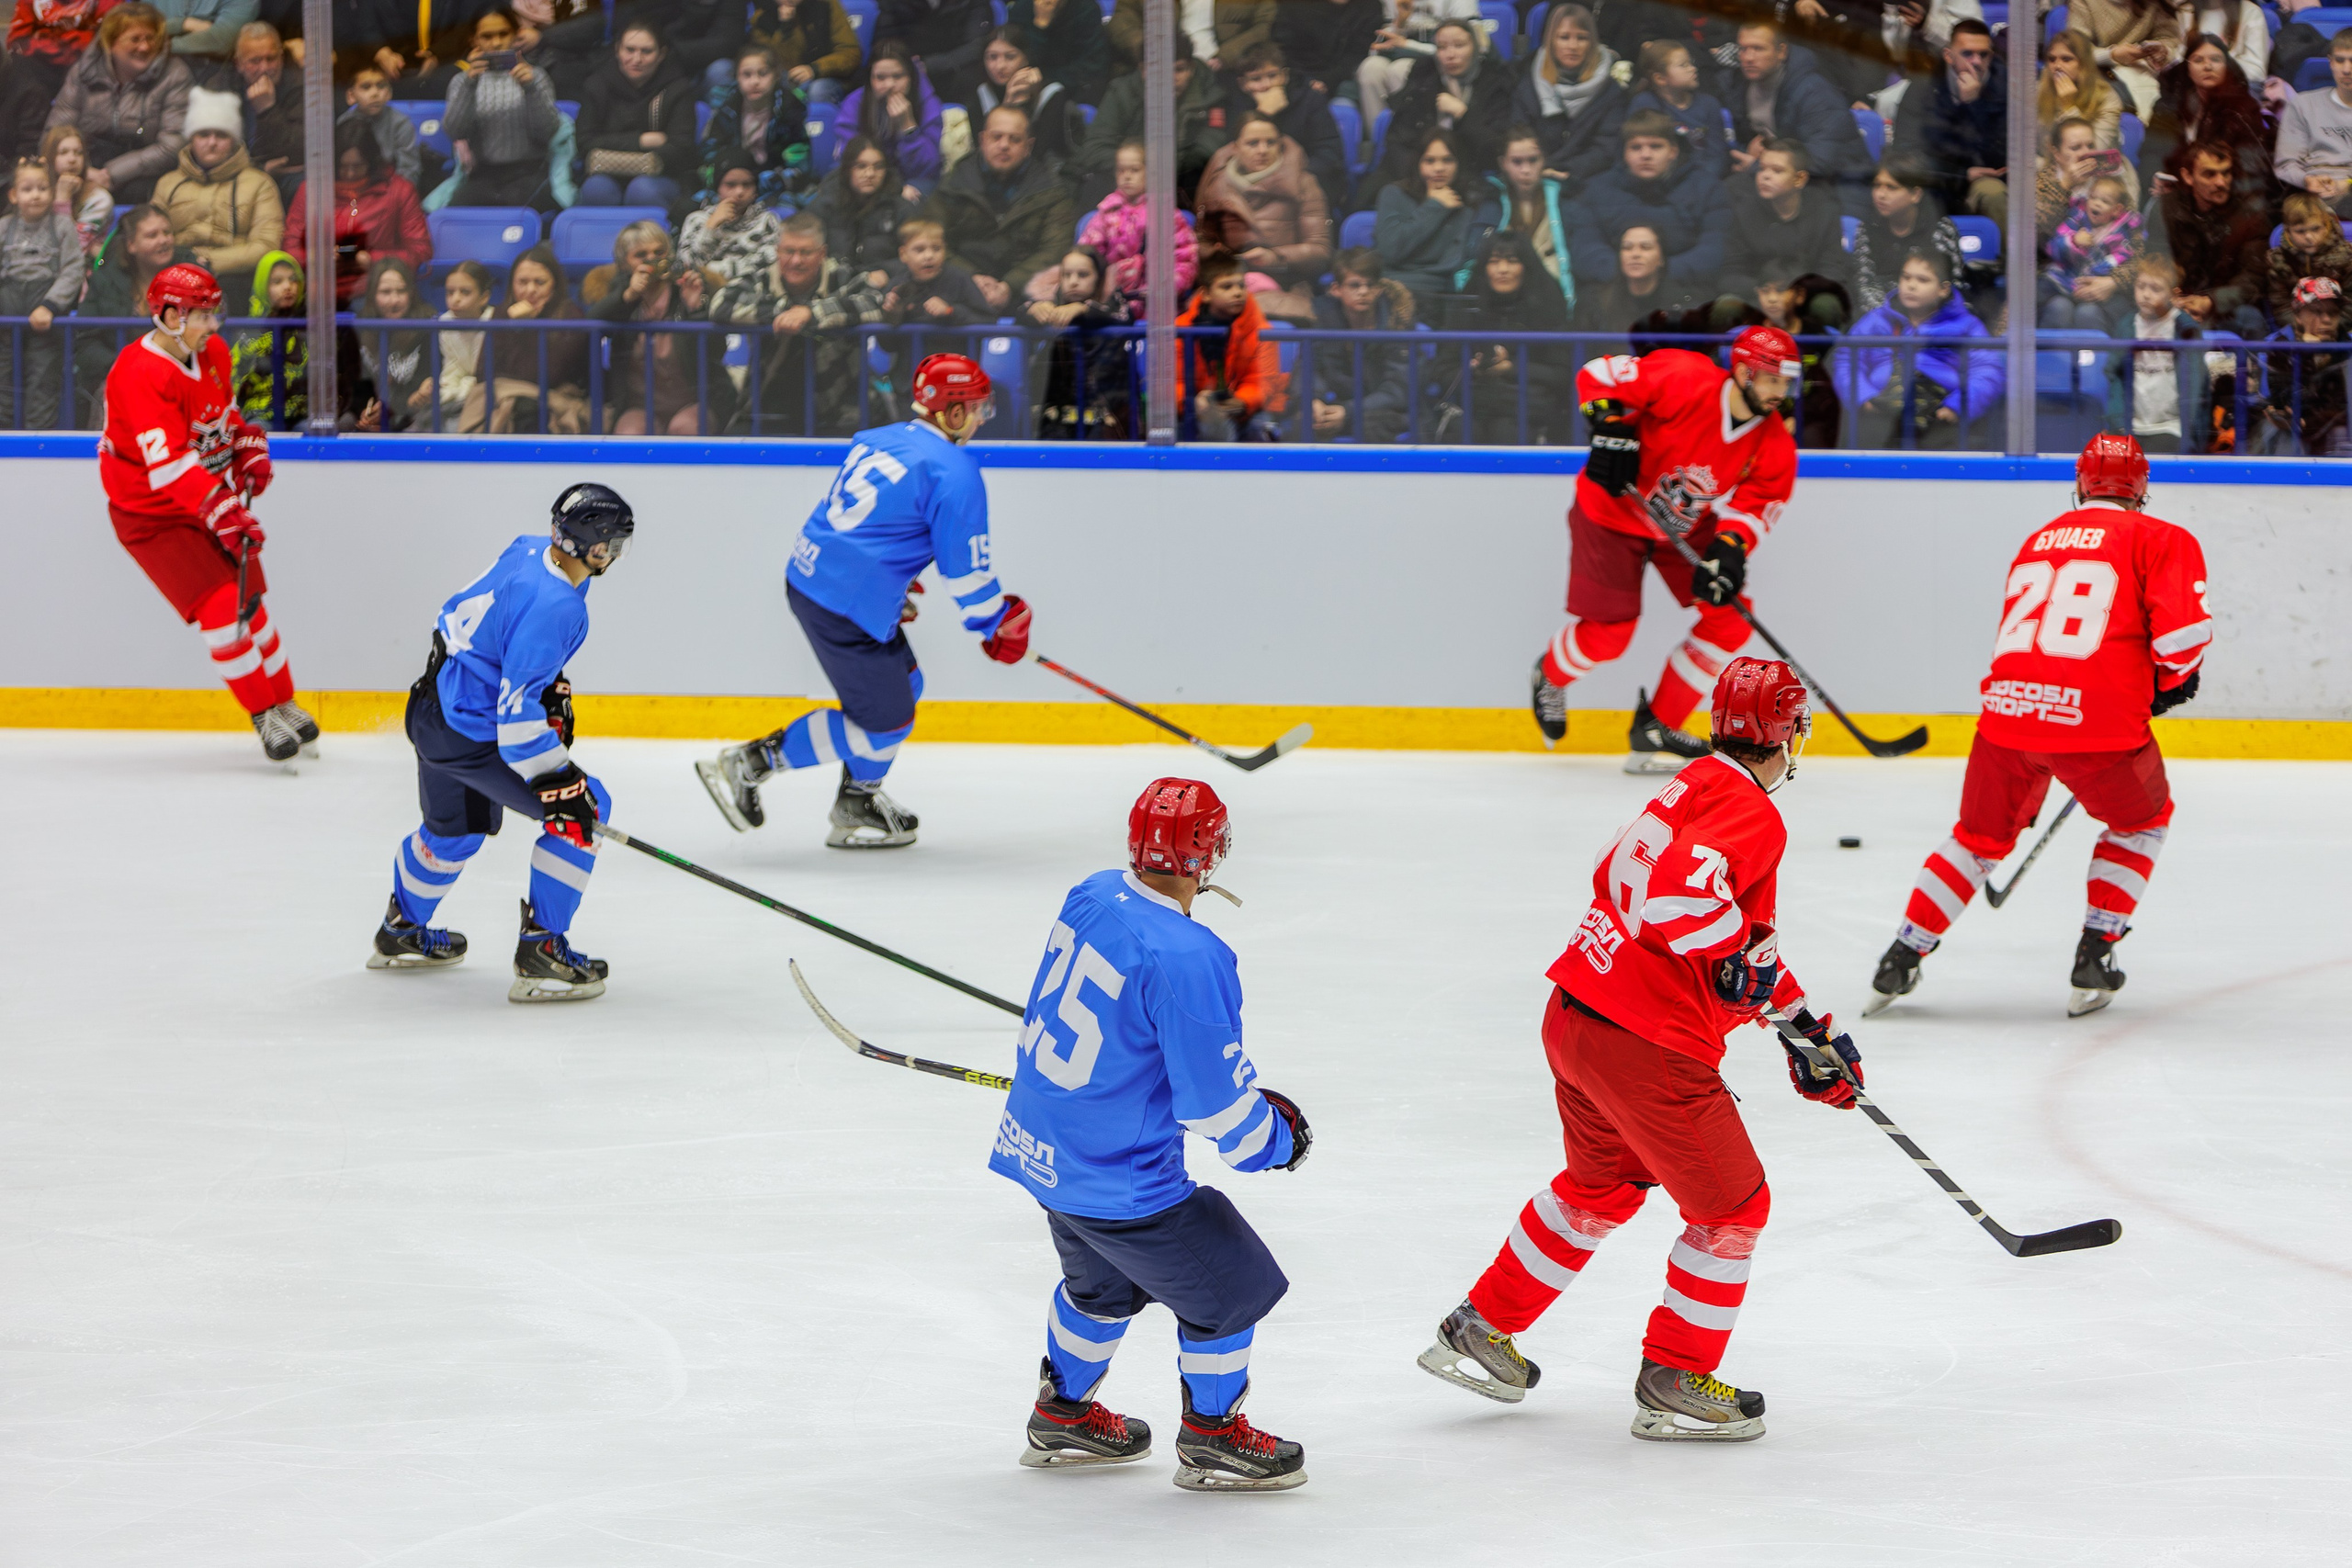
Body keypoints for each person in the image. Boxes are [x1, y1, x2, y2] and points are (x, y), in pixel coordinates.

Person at [1420, 657, 1860, 1444]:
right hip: (1645, 1046)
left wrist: (1800, 1024)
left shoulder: (1692, 783)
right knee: (1733, 1208)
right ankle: (1674, 1378)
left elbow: (1682, 912)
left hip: (1577, 1014)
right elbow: (1685, 905)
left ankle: (1480, 1324)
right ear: (1787, 732)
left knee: (1601, 1189)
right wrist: (1737, 960)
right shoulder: (1753, 811)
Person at [989, 777, 1311, 1488]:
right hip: (1119, 1177)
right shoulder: (1192, 956)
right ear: (1210, 851)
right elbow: (1220, 1115)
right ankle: (1214, 1435)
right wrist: (1280, 1139)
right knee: (1230, 1285)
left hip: (1044, 1152)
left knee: (1098, 1288)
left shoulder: (1093, 892)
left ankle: (1063, 1411)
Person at [1867, 434, 2209, 1018]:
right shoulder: (2162, 538)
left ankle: (1902, 955)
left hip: (2007, 717)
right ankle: (2096, 950)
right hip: (2096, 725)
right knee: (2141, 822)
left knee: (1976, 839)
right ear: (2142, 487)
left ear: (2080, 484)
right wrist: (2170, 683)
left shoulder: (2038, 539)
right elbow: (2180, 642)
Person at [695, 354, 1033, 849]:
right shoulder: (955, 471)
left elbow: (872, 523)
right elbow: (966, 577)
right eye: (979, 408)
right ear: (954, 411)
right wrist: (996, 624)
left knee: (906, 686)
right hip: (844, 602)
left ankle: (858, 799)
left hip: (816, 578)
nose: (983, 418)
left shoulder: (883, 438)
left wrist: (890, 582)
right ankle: (750, 764)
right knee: (888, 722)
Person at [368, 483, 634, 1003]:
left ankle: (400, 930)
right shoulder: (560, 604)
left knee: (454, 832)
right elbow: (516, 727)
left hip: (432, 705)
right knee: (586, 810)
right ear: (588, 544)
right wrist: (559, 781)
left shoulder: (529, 548)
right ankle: (542, 951)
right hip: (470, 730)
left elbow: (493, 626)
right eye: (611, 544)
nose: (615, 555)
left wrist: (546, 685)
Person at [1528, 326, 1800, 771]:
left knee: (1730, 618)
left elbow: (1758, 503)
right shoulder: (1684, 375)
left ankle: (1656, 726)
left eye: (1786, 382)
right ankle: (1550, 675)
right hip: (1611, 512)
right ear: (1744, 372)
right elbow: (1598, 374)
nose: (1780, 393)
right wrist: (1609, 423)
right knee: (1610, 635)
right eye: (1772, 380)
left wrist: (1730, 547)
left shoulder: (1773, 443)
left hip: (1682, 524)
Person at [98, 262, 312, 760]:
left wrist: (244, 447)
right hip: (153, 515)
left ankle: (285, 702)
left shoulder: (211, 352)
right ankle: (263, 714)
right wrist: (223, 508)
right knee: (222, 611)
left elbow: (221, 414)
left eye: (215, 314)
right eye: (202, 315)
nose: (214, 326)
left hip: (206, 499)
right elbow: (168, 467)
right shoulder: (138, 373)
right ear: (171, 315)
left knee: (252, 605)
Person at [711, 210, 890, 436]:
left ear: (822, 253)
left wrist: (811, 313)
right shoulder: (760, 277)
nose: (796, 261)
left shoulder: (843, 276)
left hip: (842, 412)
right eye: (789, 251)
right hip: (767, 408)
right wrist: (784, 313)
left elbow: (874, 303)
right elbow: (721, 304)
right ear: (777, 251)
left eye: (806, 252)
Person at [1832, 246, 2001, 448]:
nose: (1911, 286)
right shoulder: (1876, 320)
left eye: (1923, 280)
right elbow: (1847, 360)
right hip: (1880, 416)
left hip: (1940, 420)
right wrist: (1863, 397)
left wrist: (1957, 407)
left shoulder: (1967, 326)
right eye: (1906, 277)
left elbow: (1988, 371)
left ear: (1943, 289)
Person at [1566, 109, 1729, 299]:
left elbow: (1714, 251)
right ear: (1624, 153)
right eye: (1636, 147)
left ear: (1673, 151)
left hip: (1687, 292)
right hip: (1615, 293)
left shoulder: (1706, 188)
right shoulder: (1597, 190)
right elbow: (1586, 252)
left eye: (1655, 146)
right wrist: (1634, 277)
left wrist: (1653, 277)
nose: (1645, 155)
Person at [583, 220, 725, 436]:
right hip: (639, 406)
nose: (653, 259)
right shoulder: (620, 295)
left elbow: (717, 351)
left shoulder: (689, 286)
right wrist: (629, 296)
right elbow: (589, 328)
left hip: (694, 403)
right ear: (624, 264)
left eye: (660, 252)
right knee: (629, 434)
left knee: (685, 428)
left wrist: (696, 310)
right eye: (641, 255)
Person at [927, 103, 1073, 309]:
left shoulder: (1051, 190)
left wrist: (1009, 286)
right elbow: (930, 240)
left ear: (1029, 146)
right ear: (982, 140)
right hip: (958, 294)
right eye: (996, 137)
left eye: (1015, 139)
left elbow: (1055, 250)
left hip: (1027, 298)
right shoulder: (954, 184)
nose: (1004, 145)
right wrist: (972, 279)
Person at [47, 3, 194, 207]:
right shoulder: (84, 72)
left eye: (151, 39)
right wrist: (82, 170)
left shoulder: (175, 74)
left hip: (143, 171)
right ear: (111, 42)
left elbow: (173, 145)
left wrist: (111, 174)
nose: (144, 47)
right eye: (135, 39)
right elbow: (55, 133)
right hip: (85, 165)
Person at [1193, 108, 1331, 322]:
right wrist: (1218, 255)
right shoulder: (1216, 185)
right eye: (1253, 143)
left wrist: (1275, 257)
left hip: (1286, 286)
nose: (1263, 150)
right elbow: (1200, 240)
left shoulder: (1304, 183)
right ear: (1235, 148)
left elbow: (1320, 250)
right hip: (1228, 283)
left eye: (1271, 142)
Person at [1724, 18, 1872, 214]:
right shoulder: (1738, 85)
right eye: (1743, 49)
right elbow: (1739, 139)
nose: (1748, 57)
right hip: (1781, 178)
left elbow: (1822, 159)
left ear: (1781, 52)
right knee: (1727, 194)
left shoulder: (1815, 93)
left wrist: (1760, 165)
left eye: (1758, 49)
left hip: (1835, 187)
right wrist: (1749, 153)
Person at [152, 85, 282, 308]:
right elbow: (151, 239)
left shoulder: (260, 184)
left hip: (236, 282)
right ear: (192, 139)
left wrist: (207, 262)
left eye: (221, 135)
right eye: (203, 134)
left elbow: (266, 245)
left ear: (233, 140)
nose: (212, 142)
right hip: (175, 279)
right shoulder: (168, 184)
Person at [282, 117, 430, 307]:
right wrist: (315, 258)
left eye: (358, 166)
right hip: (318, 292)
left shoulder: (399, 191)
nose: (350, 173)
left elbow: (420, 250)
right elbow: (290, 245)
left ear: (372, 162)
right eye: (343, 167)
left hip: (375, 293)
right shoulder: (311, 191)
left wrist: (372, 260)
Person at [1069, 28, 1223, 208]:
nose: (1169, 79)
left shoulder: (1210, 94)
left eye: (1179, 69)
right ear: (1143, 70)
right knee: (1095, 186)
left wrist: (1165, 169)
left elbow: (1210, 146)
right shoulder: (1122, 93)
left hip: (1182, 179)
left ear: (1191, 69)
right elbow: (1095, 148)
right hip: (1125, 179)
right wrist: (1137, 167)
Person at [1889, 17, 2010, 236]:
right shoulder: (1922, 88)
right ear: (1948, 55)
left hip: (1983, 181)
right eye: (1967, 54)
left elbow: (2002, 156)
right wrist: (1961, 174)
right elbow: (1907, 152)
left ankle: (2002, 258)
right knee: (1908, 190)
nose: (1976, 61)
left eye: (1983, 54)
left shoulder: (2004, 88)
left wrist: (1974, 105)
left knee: (1993, 194)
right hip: (1937, 180)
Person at [2139, 139, 2269, 333]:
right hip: (2173, 302)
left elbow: (2253, 278)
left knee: (2251, 319)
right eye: (2210, 174)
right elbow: (2156, 263)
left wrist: (2211, 302)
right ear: (2188, 176)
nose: (2221, 182)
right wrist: (2174, 301)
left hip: (2223, 306)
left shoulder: (2249, 215)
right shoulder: (2166, 208)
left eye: (2226, 173)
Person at [1375, 18, 1512, 197]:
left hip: (1471, 183)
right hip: (1418, 180)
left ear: (1476, 48)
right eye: (1442, 47)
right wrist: (1421, 184)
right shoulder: (1424, 78)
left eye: (1459, 45)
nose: (1450, 54)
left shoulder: (1496, 83)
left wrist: (1464, 115)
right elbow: (1398, 140)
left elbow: (1495, 152)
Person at [1459, 229, 1571, 444]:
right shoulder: (1468, 302)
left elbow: (1561, 373)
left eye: (1512, 261)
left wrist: (1512, 368)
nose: (1503, 269)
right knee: (1464, 429)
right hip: (1477, 400)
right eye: (1494, 261)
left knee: (1506, 430)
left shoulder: (1549, 303)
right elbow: (1443, 369)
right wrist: (1475, 369)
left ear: (1526, 266)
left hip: (1528, 404)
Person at [464, 243, 590, 433]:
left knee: (529, 411)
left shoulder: (571, 317)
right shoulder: (502, 313)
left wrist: (525, 328)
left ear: (554, 285)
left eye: (540, 282)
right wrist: (513, 326)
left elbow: (547, 377)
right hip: (506, 397)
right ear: (512, 284)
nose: (530, 290)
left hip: (556, 403)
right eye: (522, 282)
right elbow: (483, 372)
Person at [441, 8, 560, 209]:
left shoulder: (536, 76)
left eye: (503, 34)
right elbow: (455, 132)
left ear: (515, 35)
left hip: (530, 173)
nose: (496, 43)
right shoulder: (462, 81)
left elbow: (547, 132)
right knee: (456, 214)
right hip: (482, 176)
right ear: (474, 40)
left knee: (523, 209)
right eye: (487, 37)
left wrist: (530, 89)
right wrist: (469, 86)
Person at [575, 20, 696, 213]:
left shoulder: (678, 88)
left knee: (642, 191)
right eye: (629, 50)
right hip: (606, 174)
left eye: (646, 51)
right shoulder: (596, 85)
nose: (636, 59)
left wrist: (613, 149)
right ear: (617, 50)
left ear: (661, 54)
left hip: (663, 175)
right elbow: (584, 143)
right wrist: (641, 141)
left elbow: (682, 147)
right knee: (596, 190)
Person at [2138, 32, 2272, 203]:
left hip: (2226, 192)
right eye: (2198, 60)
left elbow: (2250, 164)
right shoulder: (2169, 104)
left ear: (2226, 66)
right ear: (2187, 68)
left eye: (2215, 60)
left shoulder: (2244, 108)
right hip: (2174, 190)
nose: (2207, 66)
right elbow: (2152, 152)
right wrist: (2157, 177)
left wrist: (2194, 185)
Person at [0, 158, 82, 429]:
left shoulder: (62, 225)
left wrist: (50, 305)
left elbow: (73, 269)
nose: (35, 195)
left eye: (42, 188)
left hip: (45, 318)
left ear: (52, 192)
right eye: (27, 189)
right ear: (14, 195)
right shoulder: (3, 227)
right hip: (5, 319)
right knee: (3, 381)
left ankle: (38, 441)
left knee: (43, 381)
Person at [1719, 138, 1849, 305]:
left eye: (1777, 171)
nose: (1765, 176)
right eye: (1762, 169)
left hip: (1808, 300)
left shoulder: (1825, 212)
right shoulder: (1744, 211)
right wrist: (1767, 291)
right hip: (1758, 299)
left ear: (1800, 179)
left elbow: (1832, 270)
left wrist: (1796, 293)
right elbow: (1731, 273)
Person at [1023, 243, 1133, 438]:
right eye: (1067, 275)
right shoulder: (1050, 301)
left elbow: (1124, 316)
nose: (1073, 282)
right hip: (1056, 417)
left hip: (1105, 418)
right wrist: (1032, 310)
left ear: (1099, 277)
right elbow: (1018, 312)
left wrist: (1084, 309)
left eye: (1083, 275)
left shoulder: (1113, 300)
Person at [1374, 127, 1488, 310]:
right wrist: (1434, 206)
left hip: (1441, 296)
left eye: (1447, 160)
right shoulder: (1393, 194)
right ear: (1418, 164)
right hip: (1393, 290)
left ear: (1458, 164)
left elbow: (1456, 265)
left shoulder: (1469, 205)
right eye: (1430, 160)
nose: (1439, 168)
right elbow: (1390, 250)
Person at [1225, 39, 1351, 206]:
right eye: (1256, 79)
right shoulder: (1234, 107)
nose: (1267, 85)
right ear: (1243, 84)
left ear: (1284, 75)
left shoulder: (1310, 100)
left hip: (1304, 184)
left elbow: (1328, 153)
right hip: (1250, 189)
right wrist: (1262, 114)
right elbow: (1230, 156)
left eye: (1272, 76)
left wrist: (1288, 179)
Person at [1514, 4, 1627, 190]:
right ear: (1551, 40)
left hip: (1588, 180)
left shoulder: (1610, 90)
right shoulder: (1528, 85)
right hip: (1534, 177)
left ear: (1592, 42)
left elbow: (1606, 148)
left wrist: (1568, 172)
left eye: (1581, 38)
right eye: (1564, 37)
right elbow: (1519, 136)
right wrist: (1541, 170)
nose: (1573, 46)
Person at [1306, 244, 1412, 441]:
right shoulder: (1324, 322)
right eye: (1355, 285)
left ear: (1379, 289)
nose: (1363, 292)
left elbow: (1398, 390)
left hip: (1388, 412)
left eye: (1370, 285)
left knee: (1371, 423)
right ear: (1336, 289)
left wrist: (1348, 411)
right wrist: (1313, 400)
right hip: (1342, 407)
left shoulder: (1397, 325)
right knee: (1306, 419)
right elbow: (1307, 368)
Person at [1079, 138, 1198, 311]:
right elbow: (1087, 258)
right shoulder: (1105, 214)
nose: (1127, 176)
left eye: (1134, 170)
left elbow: (1184, 258)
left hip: (1156, 307)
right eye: (1121, 170)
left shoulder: (1166, 214)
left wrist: (1166, 289)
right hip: (1111, 306)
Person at [2104, 251, 2206, 454]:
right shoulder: (2127, 326)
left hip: (2171, 427)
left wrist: (2191, 431)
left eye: (2155, 289)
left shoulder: (2184, 330)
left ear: (2174, 294)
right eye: (2140, 286)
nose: (2146, 294)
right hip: (2131, 426)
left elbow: (2196, 382)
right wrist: (2118, 421)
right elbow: (2114, 375)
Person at [1177, 249, 1279, 439]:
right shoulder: (1181, 330)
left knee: (1261, 429)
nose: (1237, 293)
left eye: (1241, 286)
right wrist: (1192, 402)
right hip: (1194, 411)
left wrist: (1242, 401)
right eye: (1227, 287)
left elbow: (1263, 382)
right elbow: (1172, 383)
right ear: (1205, 294)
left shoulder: (1263, 331)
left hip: (1245, 412)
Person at [697, 44, 813, 210]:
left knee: (786, 210)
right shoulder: (726, 108)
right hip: (733, 181)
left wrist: (764, 182)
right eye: (746, 75)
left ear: (776, 75)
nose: (755, 82)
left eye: (763, 74)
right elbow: (711, 154)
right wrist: (725, 181)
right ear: (737, 77)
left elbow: (799, 165)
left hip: (773, 184)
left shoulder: (790, 109)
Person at [1, 0, 111, 164]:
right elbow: (18, 39)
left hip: (85, 66)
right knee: (21, 70)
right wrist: (73, 40)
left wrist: (49, 42)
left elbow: (106, 38)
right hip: (36, 67)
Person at [1569, 221, 1702, 355]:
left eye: (1645, 247)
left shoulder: (1684, 306)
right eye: (1627, 248)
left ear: (1661, 258)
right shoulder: (1595, 303)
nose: (1635, 254)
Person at [806, 134, 922, 284]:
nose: (870, 174)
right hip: (831, 283)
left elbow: (919, 256)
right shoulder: (825, 205)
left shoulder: (901, 209)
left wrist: (887, 272)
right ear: (847, 169)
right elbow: (802, 250)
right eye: (861, 166)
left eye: (878, 167)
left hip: (883, 287)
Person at [1851, 156, 1963, 312]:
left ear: (1915, 194)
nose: (1880, 195)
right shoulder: (1868, 228)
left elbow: (1950, 287)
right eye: (1877, 186)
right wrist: (1892, 316)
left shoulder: (1940, 228)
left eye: (1891, 187)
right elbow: (1865, 285)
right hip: (1881, 316)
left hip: (1930, 316)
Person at [2255, 273, 2352, 452]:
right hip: (2291, 430)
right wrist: (2306, 353)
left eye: (2333, 313)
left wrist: (2308, 423)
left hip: (2329, 426)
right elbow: (2283, 403)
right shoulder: (2278, 346)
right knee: (2282, 435)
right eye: (2317, 311)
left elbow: (2343, 406)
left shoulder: (2347, 347)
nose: (2326, 319)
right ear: (2298, 315)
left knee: (2340, 433)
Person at [838, 39, 945, 196]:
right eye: (880, 77)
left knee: (911, 198)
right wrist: (889, 188)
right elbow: (848, 159)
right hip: (868, 178)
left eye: (898, 76)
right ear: (870, 79)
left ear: (910, 77)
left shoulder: (928, 104)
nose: (889, 85)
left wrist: (908, 126)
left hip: (915, 181)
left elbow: (927, 168)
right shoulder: (854, 104)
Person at [1354, 0, 1482, 130]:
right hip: (1399, 50)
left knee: (1400, 69)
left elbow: (1476, 47)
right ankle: (1380, 136)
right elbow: (1375, 48)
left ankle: (1411, 134)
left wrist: (1408, 45)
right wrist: (1399, 24)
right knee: (1370, 68)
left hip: (1433, 56)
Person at [967, 25, 1083, 166]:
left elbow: (1037, 155)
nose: (1000, 66)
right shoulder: (981, 93)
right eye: (992, 57)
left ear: (1026, 58)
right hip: (995, 171)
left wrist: (1022, 106)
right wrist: (1008, 106)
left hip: (1046, 172)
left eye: (1010, 57)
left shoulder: (1052, 94)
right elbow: (982, 153)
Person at [2042, 172, 2141, 328]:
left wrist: (2104, 271)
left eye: (2105, 201)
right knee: (2059, 307)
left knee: (2087, 313)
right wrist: (2073, 241)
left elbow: (2126, 257)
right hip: (2064, 283)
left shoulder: (2122, 233)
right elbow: (2053, 246)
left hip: (2099, 291)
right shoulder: (2075, 219)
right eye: (2093, 198)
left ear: (2117, 210)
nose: (2096, 204)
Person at [681, 152, 789, 291]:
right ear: (718, 188)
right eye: (730, 185)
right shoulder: (697, 220)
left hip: (753, 295)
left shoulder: (767, 220)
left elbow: (770, 263)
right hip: (705, 295)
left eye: (747, 184)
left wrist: (714, 270)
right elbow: (687, 268)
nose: (739, 192)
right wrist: (710, 228)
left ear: (755, 190)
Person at [2275, 28, 2352, 217]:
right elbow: (2286, 164)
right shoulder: (2303, 104)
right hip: (2311, 194)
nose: (2346, 69)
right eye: (2340, 60)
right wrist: (2307, 180)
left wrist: (2348, 184)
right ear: (2330, 62)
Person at [1625, 38, 1725, 184]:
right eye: (1683, 65)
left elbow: (1717, 156)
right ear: (1660, 79)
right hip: (1656, 180)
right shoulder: (1645, 103)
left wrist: (1700, 182)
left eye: (1691, 63)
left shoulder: (1709, 105)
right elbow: (1633, 149)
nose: (1693, 68)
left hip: (1701, 180)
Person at [2070, 0, 2181, 120]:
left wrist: (2162, 50)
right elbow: (2075, 51)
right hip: (2099, 71)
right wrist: (2112, 55)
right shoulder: (2084, 3)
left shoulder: (2155, 4)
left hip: (2144, 72)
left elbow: (2170, 38)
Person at [230, 20, 300, 198]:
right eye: (255, 61)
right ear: (238, 63)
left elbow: (298, 151)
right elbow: (216, 154)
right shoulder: (223, 87)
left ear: (281, 58)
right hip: (237, 178)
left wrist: (268, 110)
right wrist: (260, 169)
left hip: (285, 182)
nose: (265, 68)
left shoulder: (299, 86)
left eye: (271, 59)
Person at [881, 212, 995, 322]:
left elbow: (988, 319)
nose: (929, 256)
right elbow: (883, 329)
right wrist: (893, 312)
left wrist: (950, 311)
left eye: (937, 249)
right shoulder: (897, 284)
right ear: (903, 254)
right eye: (919, 250)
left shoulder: (960, 279)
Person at [747, 0, 862, 109]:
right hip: (788, 78)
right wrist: (786, 28)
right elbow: (773, 63)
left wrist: (815, 69)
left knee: (818, 90)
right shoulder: (762, 18)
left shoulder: (825, 4)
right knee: (770, 87)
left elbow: (850, 53)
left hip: (829, 76)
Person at [876, 0, 991, 107]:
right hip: (909, 67)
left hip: (956, 68)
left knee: (971, 75)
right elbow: (885, 43)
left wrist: (930, 65)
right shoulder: (894, 3)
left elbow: (978, 45)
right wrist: (908, 64)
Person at [1004, 0, 1113, 109]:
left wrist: (1046, 79)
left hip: (1072, 86)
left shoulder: (1086, 9)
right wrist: (1040, 25)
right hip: (1029, 81)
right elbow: (1022, 57)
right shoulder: (1021, 8)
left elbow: (1092, 64)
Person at [1272, 0, 1380, 107]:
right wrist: (1306, 81)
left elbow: (1357, 53)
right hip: (1301, 75)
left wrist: (1327, 80)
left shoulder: (1369, 6)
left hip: (1345, 75)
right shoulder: (1293, 7)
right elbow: (1285, 52)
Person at [2267, 188, 2352, 321]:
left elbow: (2350, 303)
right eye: (2300, 231)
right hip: (2300, 327)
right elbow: (2281, 307)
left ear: (2327, 227)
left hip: (2338, 325)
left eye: (2316, 229)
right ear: (2288, 232)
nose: (2309, 237)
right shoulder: (2280, 262)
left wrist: (2332, 327)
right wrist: (2304, 328)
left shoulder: (2346, 257)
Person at [2035, 28, 2123, 150]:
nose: (2057, 66)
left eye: (2066, 59)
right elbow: (2028, 147)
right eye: (2052, 59)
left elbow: (2094, 151)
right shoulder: (2037, 91)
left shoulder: (2106, 98)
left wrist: (2069, 110)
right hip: (2048, 161)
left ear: (2083, 64)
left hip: (2095, 161)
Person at [339, 62, 421, 188]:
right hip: (352, 189)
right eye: (366, 87)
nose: (375, 93)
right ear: (351, 96)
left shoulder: (400, 123)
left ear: (389, 93)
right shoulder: (344, 123)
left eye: (381, 86)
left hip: (390, 190)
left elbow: (409, 171)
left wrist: (391, 196)